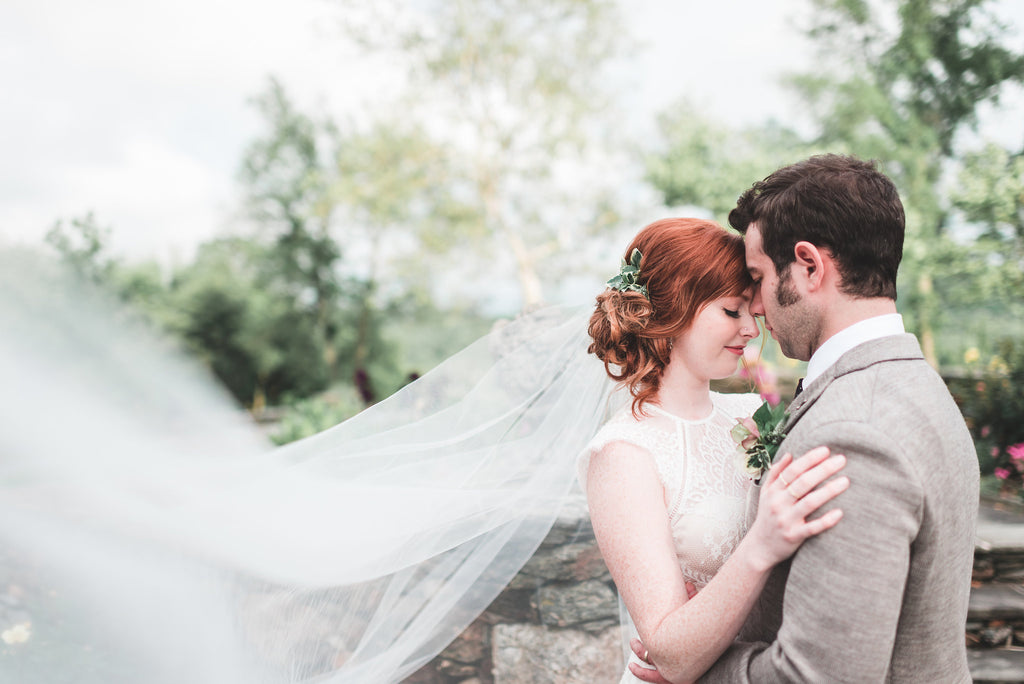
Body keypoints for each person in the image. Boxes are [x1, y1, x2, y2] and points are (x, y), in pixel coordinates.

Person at [629, 155, 979, 683]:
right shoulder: (920, 388)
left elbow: (815, 677)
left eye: (759, 277)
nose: (759, 310)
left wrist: (693, 668)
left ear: (809, 266)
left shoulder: (855, 433)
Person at [581, 217, 848, 684]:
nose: (750, 328)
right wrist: (763, 542)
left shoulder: (750, 415)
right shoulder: (624, 454)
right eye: (731, 311)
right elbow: (671, 651)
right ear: (673, 312)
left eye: (751, 310)